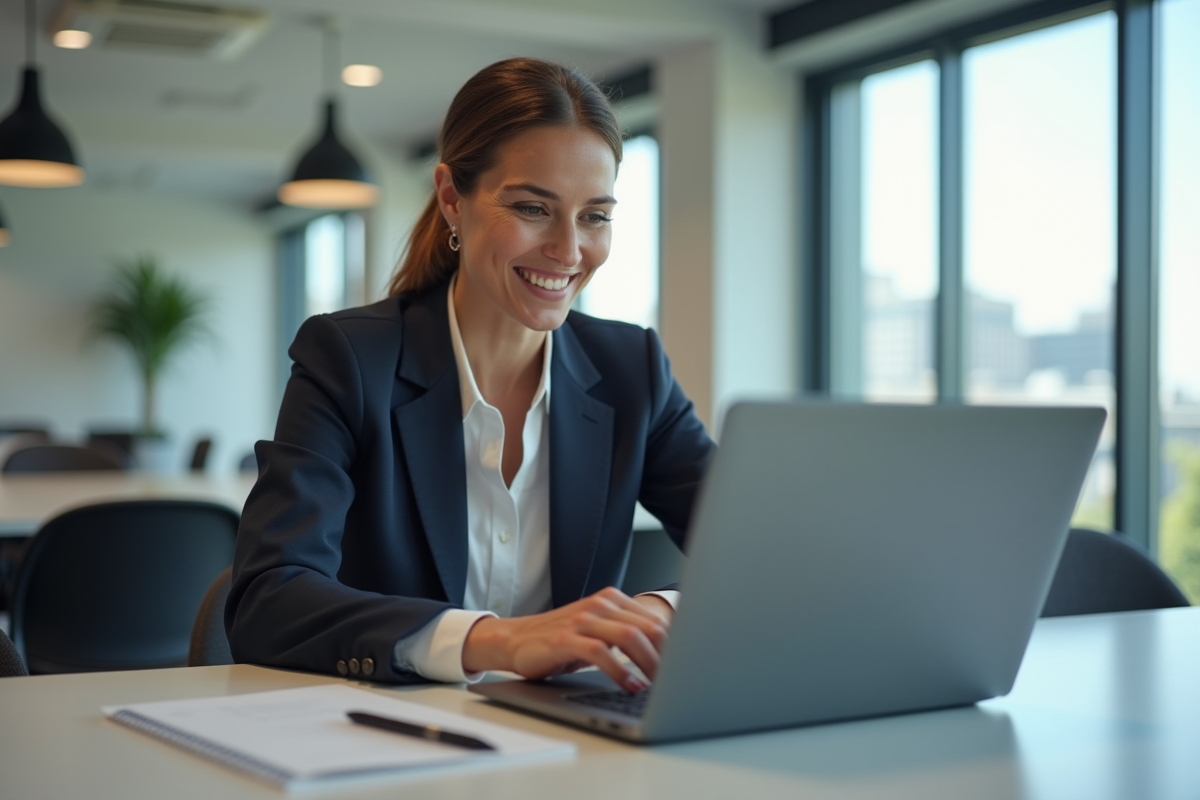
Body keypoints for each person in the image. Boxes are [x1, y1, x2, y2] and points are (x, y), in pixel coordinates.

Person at [225, 58, 714, 693]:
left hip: (570, 736)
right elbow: (268, 598)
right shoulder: (350, 359)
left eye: (595, 216)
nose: (569, 251)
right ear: (452, 198)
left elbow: (763, 545)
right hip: (389, 730)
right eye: (533, 208)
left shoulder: (632, 369)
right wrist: (500, 641)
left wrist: (656, 613)